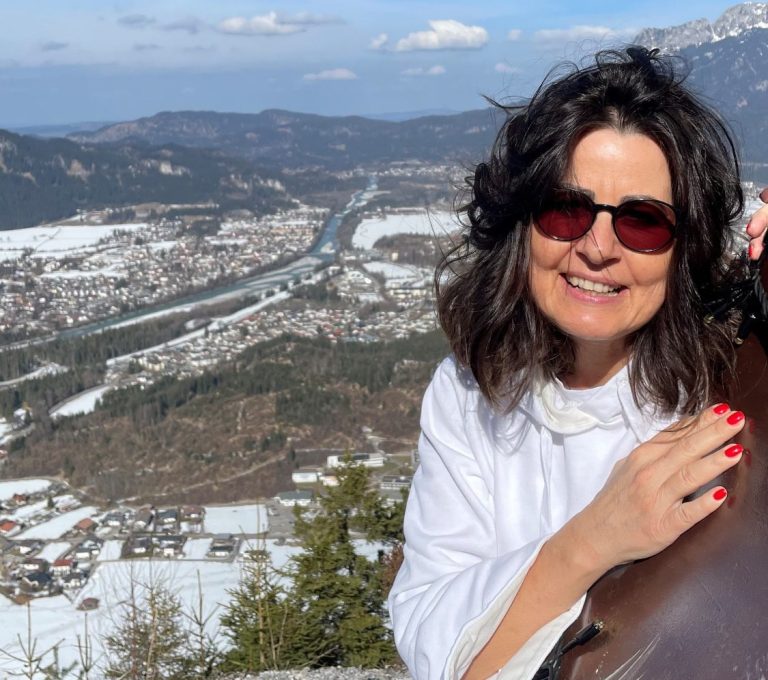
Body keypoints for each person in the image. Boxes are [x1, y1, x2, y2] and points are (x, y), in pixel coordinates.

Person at [387, 47, 768, 680]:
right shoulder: (470, 390)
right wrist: (596, 538)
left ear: (684, 249)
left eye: (643, 222)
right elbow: (438, 646)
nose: (597, 248)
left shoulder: (730, 381)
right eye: (566, 209)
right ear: (522, 224)